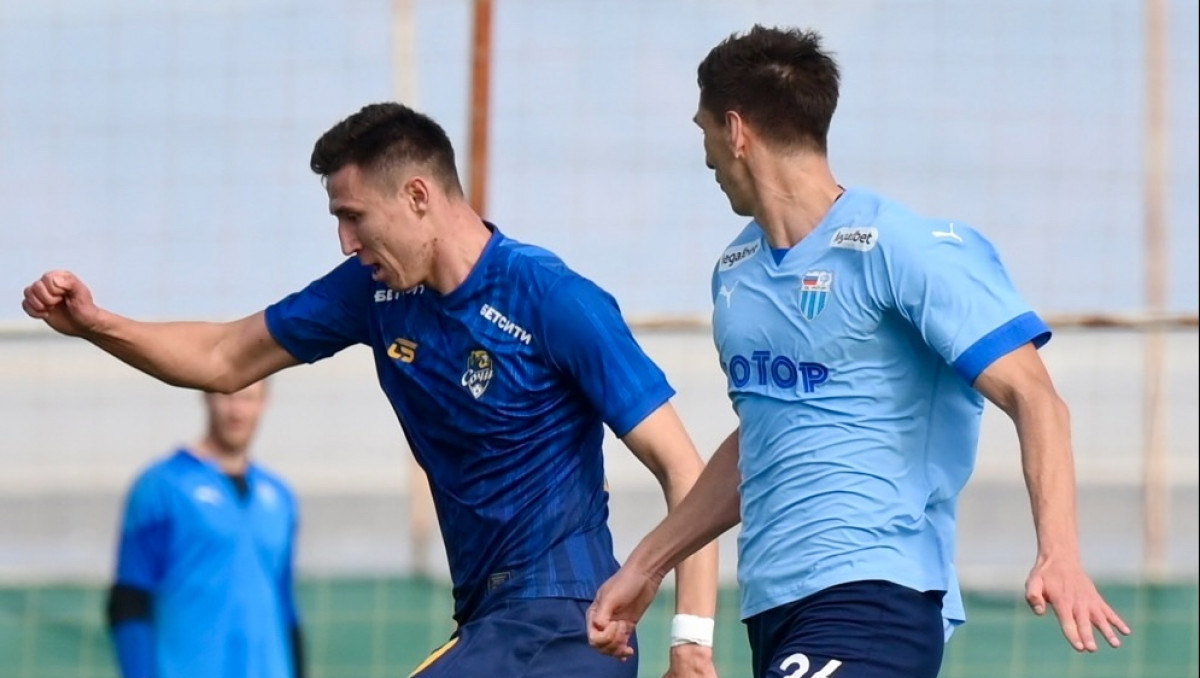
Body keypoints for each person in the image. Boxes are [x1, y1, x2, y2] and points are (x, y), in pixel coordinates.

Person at [23, 102, 719, 678]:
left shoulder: (551, 299)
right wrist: (96, 324)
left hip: (564, 625)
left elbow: (684, 468)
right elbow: (224, 355)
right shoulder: (374, 293)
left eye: (354, 216)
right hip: (491, 628)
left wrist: (690, 642)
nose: (345, 241)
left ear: (417, 196)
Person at [586, 25, 1132, 678]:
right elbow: (763, 437)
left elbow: (1036, 398)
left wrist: (1059, 552)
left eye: (703, 130)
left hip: (878, 594)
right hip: (772, 607)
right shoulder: (737, 272)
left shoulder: (905, 248)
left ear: (734, 131)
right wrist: (647, 565)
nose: (704, 157)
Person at [105, 379, 304, 678]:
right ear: (206, 396)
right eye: (228, 396)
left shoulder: (280, 496)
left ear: (265, 403)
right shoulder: (163, 486)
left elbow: (285, 604)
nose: (237, 411)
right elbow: (130, 600)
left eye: (248, 398)